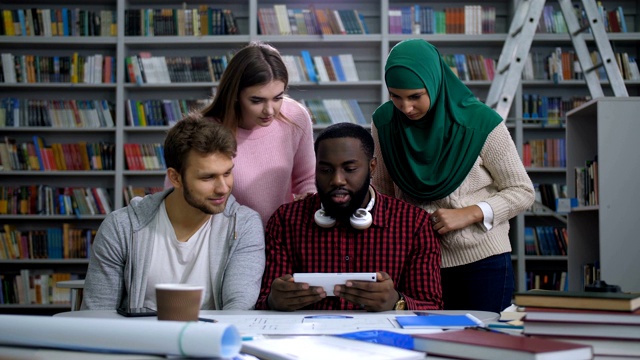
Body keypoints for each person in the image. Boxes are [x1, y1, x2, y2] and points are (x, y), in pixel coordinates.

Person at [371, 39, 535, 313]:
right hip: (415, 263)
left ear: (435, 84)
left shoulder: (482, 123)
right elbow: (385, 194)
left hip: (482, 263)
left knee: (482, 347)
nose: (406, 107)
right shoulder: (384, 122)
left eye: (415, 96)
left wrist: (471, 213)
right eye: (395, 96)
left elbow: (522, 191)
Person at [83, 113, 265, 311]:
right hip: (139, 340)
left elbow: (239, 310)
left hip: (210, 340)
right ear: (175, 178)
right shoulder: (121, 227)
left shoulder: (244, 225)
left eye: (227, 173)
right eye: (207, 177)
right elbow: (97, 314)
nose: (223, 188)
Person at [255, 122, 443, 311]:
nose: (337, 180)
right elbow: (264, 300)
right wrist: (274, 301)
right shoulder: (286, 221)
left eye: (350, 169)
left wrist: (397, 302)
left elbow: (432, 307)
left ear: (372, 167)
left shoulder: (414, 223)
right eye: (326, 170)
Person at [164, 41, 316, 227]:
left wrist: (309, 196)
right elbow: (176, 193)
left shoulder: (296, 116)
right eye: (257, 100)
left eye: (278, 98)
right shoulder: (205, 130)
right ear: (235, 93)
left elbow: (307, 178)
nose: (270, 110)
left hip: (283, 237)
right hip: (227, 240)